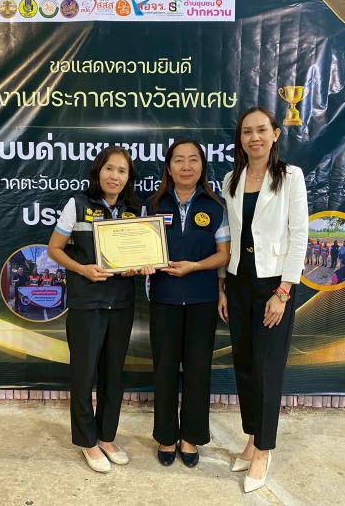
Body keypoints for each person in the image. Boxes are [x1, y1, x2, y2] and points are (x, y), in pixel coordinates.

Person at [218, 107, 308, 493]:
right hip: (239, 281)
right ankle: (252, 438)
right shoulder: (231, 179)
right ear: (240, 139)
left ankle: (264, 449)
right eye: (246, 132)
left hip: (274, 285)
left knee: (268, 369)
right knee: (245, 365)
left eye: (261, 130)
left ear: (275, 134)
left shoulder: (290, 177)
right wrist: (223, 285)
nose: (253, 137)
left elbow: (299, 235)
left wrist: (283, 293)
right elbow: (231, 236)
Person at [48, 146, 152, 473]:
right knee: (84, 374)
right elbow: (54, 249)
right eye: (109, 168)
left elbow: (141, 254)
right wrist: (83, 269)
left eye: (122, 171)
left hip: (121, 303)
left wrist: (139, 266)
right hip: (86, 303)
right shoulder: (77, 205)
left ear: (128, 178)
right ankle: (87, 441)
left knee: (112, 374)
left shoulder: (136, 210)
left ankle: (106, 437)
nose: (114, 176)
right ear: (98, 171)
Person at [147, 139, 231, 468]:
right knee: (165, 369)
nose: (186, 166)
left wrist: (194, 266)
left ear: (202, 166)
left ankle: (190, 437)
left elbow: (223, 255)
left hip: (202, 299)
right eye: (179, 160)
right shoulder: (153, 205)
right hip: (164, 298)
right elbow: (140, 249)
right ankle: (166, 436)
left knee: (198, 370)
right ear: (168, 167)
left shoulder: (215, 206)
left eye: (193, 160)